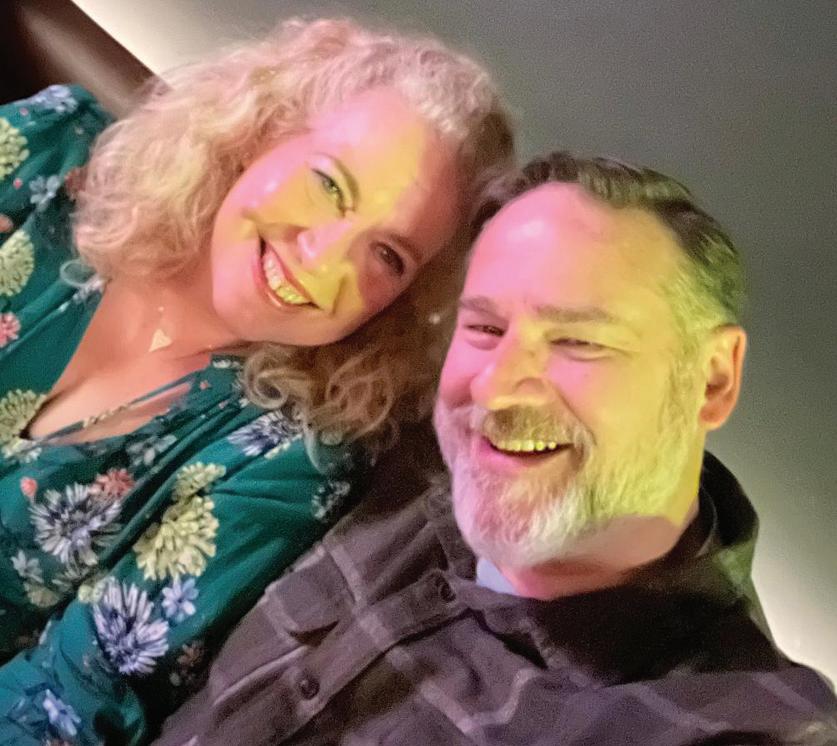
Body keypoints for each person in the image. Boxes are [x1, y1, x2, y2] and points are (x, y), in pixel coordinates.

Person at [155, 152, 837, 745]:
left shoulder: (727, 720)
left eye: (578, 341)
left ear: (712, 381)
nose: (496, 387)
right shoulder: (396, 457)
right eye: (483, 328)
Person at [0, 18, 514, 744]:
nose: (324, 261)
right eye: (329, 185)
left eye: (387, 256)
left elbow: (73, 694)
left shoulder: (286, 458)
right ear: (259, 132)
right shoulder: (48, 153)